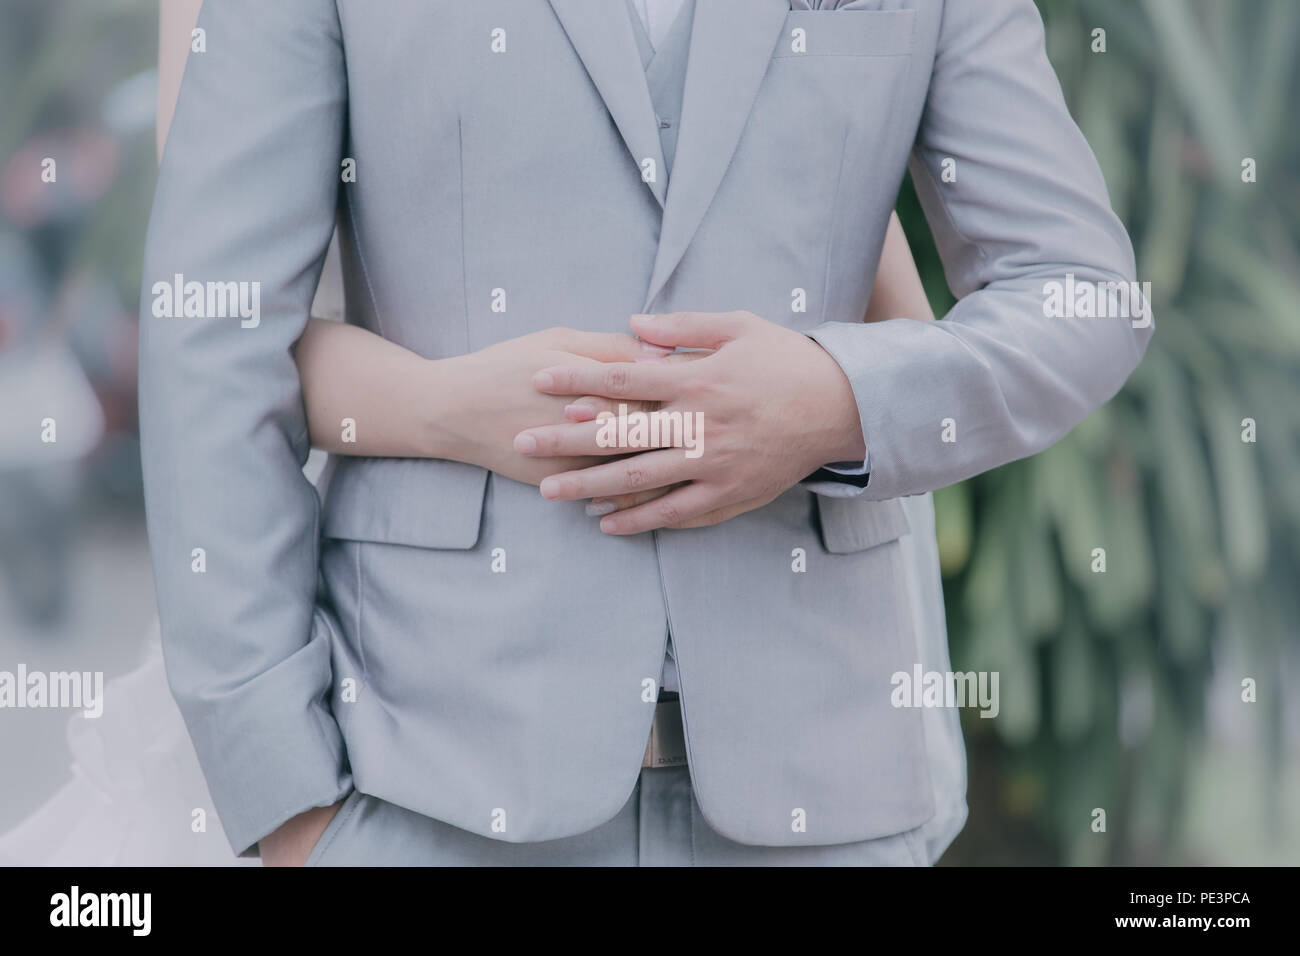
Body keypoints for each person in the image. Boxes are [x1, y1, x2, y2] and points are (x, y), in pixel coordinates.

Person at [137, 0, 1151, 866]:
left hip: (826, 798)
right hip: (424, 788)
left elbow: (1083, 297)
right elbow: (214, 330)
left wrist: (833, 397)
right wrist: (291, 806)